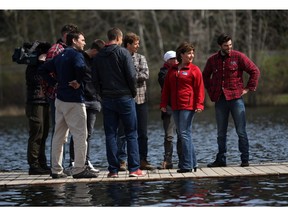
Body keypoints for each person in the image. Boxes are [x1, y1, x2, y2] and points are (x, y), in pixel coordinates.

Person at [39, 30, 98, 179]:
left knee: (59, 136)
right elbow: (81, 69)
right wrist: (79, 81)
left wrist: (55, 83)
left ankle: (56, 170)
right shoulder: (77, 55)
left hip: (60, 100)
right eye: (82, 40)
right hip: (74, 101)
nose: (85, 43)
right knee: (80, 135)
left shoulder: (60, 56)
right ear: (74, 41)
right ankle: (78, 169)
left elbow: (42, 69)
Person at [92, 27, 145, 178]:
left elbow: (95, 79)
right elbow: (131, 75)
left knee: (110, 134)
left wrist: (101, 95)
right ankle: (134, 169)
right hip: (125, 97)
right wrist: (133, 92)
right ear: (119, 38)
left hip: (107, 98)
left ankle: (113, 170)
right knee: (131, 133)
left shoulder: (99, 55)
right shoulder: (123, 53)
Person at [202, 33, 260, 168]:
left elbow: (254, 71)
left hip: (236, 99)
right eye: (226, 46)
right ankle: (221, 160)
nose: (229, 48)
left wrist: (248, 88)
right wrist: (211, 90)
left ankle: (245, 160)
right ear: (220, 46)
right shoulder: (212, 60)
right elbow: (205, 76)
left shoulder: (238, 57)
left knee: (241, 130)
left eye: (230, 45)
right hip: (220, 100)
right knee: (221, 132)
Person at [160, 42, 205, 173]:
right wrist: (163, 104)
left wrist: (199, 104)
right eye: (189, 53)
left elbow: (199, 89)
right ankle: (193, 163)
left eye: (192, 53)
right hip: (175, 106)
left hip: (188, 105)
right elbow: (166, 89)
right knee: (185, 134)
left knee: (184, 134)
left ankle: (186, 165)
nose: (191, 55)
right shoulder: (172, 70)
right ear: (181, 55)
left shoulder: (195, 70)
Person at [117, 32, 154, 171]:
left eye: (138, 43)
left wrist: (130, 76)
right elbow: (118, 76)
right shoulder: (120, 58)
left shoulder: (140, 58)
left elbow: (145, 74)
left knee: (142, 132)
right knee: (122, 132)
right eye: (136, 43)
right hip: (125, 100)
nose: (138, 46)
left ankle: (142, 159)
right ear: (128, 45)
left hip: (141, 99)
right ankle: (121, 161)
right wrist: (129, 77)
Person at [68, 39, 105, 173]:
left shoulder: (97, 62)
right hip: (81, 99)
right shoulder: (79, 58)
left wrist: (99, 97)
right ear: (95, 51)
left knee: (89, 133)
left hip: (94, 100)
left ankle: (86, 160)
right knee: (78, 133)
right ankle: (73, 161)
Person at [43, 24, 78, 155]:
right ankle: (57, 166)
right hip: (58, 96)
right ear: (66, 36)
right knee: (59, 132)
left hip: (70, 96)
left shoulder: (70, 51)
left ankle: (72, 163)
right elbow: (47, 71)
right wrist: (57, 84)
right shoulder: (56, 49)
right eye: (73, 36)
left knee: (72, 132)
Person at [25, 42, 51, 175]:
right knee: (37, 133)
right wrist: (41, 63)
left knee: (44, 133)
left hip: (45, 102)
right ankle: (33, 165)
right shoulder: (33, 66)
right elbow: (37, 79)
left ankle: (42, 163)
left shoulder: (42, 65)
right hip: (35, 103)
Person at [157, 50, 182, 169]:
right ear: (167, 61)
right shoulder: (163, 72)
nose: (175, 61)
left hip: (181, 105)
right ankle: (168, 160)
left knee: (182, 134)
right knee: (169, 135)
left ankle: (183, 159)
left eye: (176, 59)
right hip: (169, 106)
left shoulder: (181, 69)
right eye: (171, 59)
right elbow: (167, 84)